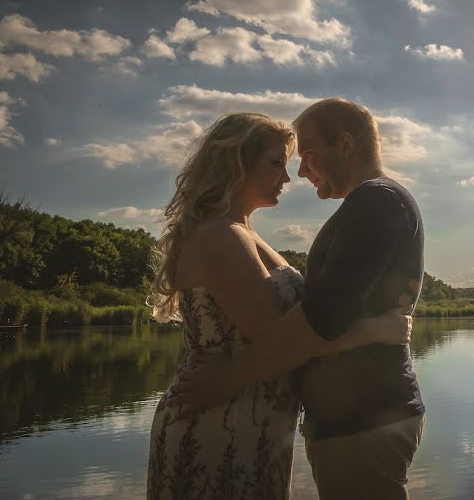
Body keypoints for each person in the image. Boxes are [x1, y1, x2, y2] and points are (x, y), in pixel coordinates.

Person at [146, 112, 412, 500]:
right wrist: (373, 331)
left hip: (253, 423)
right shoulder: (220, 236)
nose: (287, 178)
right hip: (216, 423)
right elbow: (286, 340)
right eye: (276, 164)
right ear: (237, 163)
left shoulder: (244, 232)